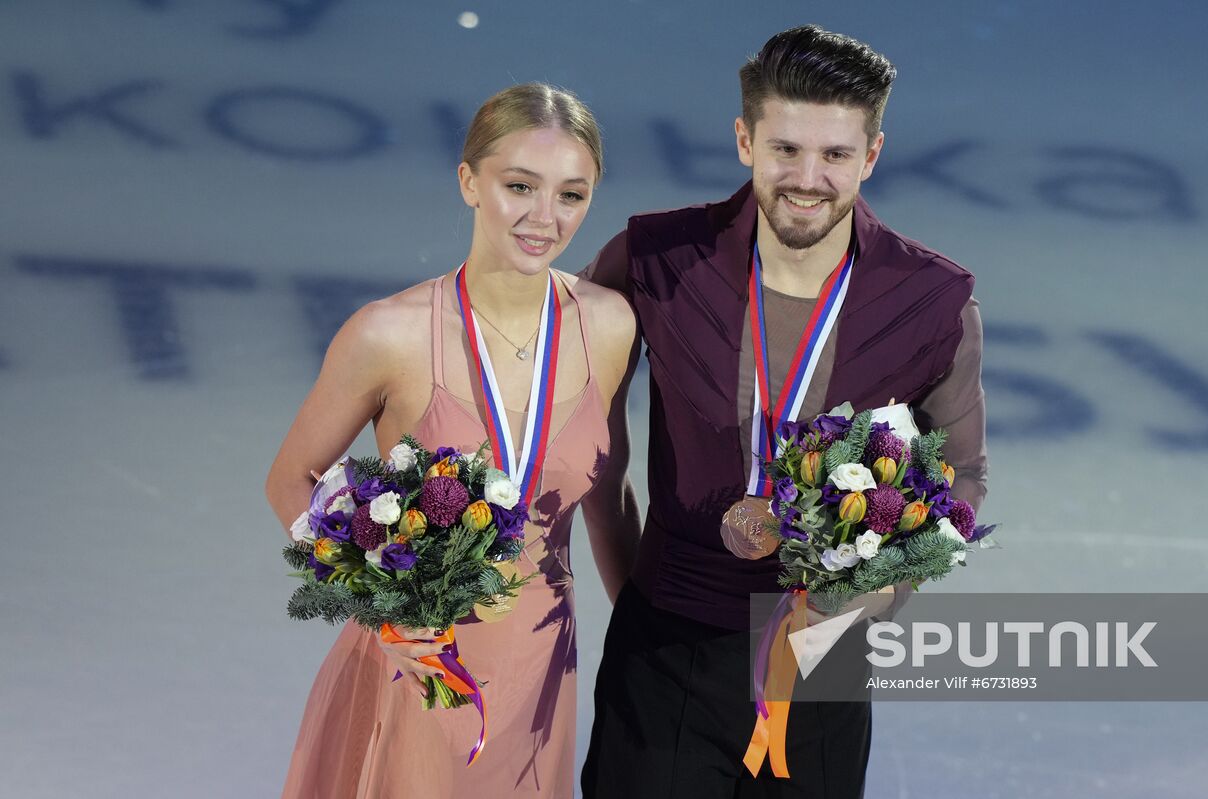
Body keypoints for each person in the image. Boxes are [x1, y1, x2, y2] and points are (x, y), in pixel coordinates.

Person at [579, 26, 988, 798]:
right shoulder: (654, 260)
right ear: (744, 140)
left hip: (824, 661)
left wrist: (864, 604)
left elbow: (962, 478)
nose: (808, 179)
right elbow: (580, 439)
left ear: (871, 155)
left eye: (835, 155)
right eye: (785, 150)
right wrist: (638, 592)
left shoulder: (933, 300)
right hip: (665, 652)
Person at [266, 83, 641, 798]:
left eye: (572, 194)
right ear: (469, 181)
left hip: (542, 664)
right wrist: (386, 609)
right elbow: (291, 478)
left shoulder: (611, 326)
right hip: (422, 667)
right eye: (519, 186)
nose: (545, 217)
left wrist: (646, 632)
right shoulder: (388, 333)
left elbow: (609, 492)